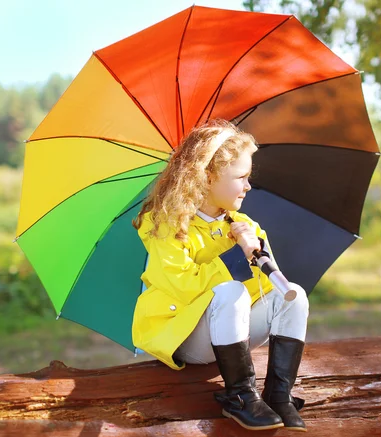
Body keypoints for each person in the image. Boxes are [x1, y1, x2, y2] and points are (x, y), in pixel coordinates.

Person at [131, 119, 310, 432]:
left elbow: (268, 289)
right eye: (241, 177)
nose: (248, 186)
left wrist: (260, 257)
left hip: (231, 332)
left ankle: (278, 394)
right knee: (232, 292)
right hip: (185, 333)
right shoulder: (165, 224)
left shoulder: (244, 226)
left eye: (248, 177)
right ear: (208, 177)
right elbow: (185, 286)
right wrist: (230, 254)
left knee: (292, 294)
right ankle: (240, 396)